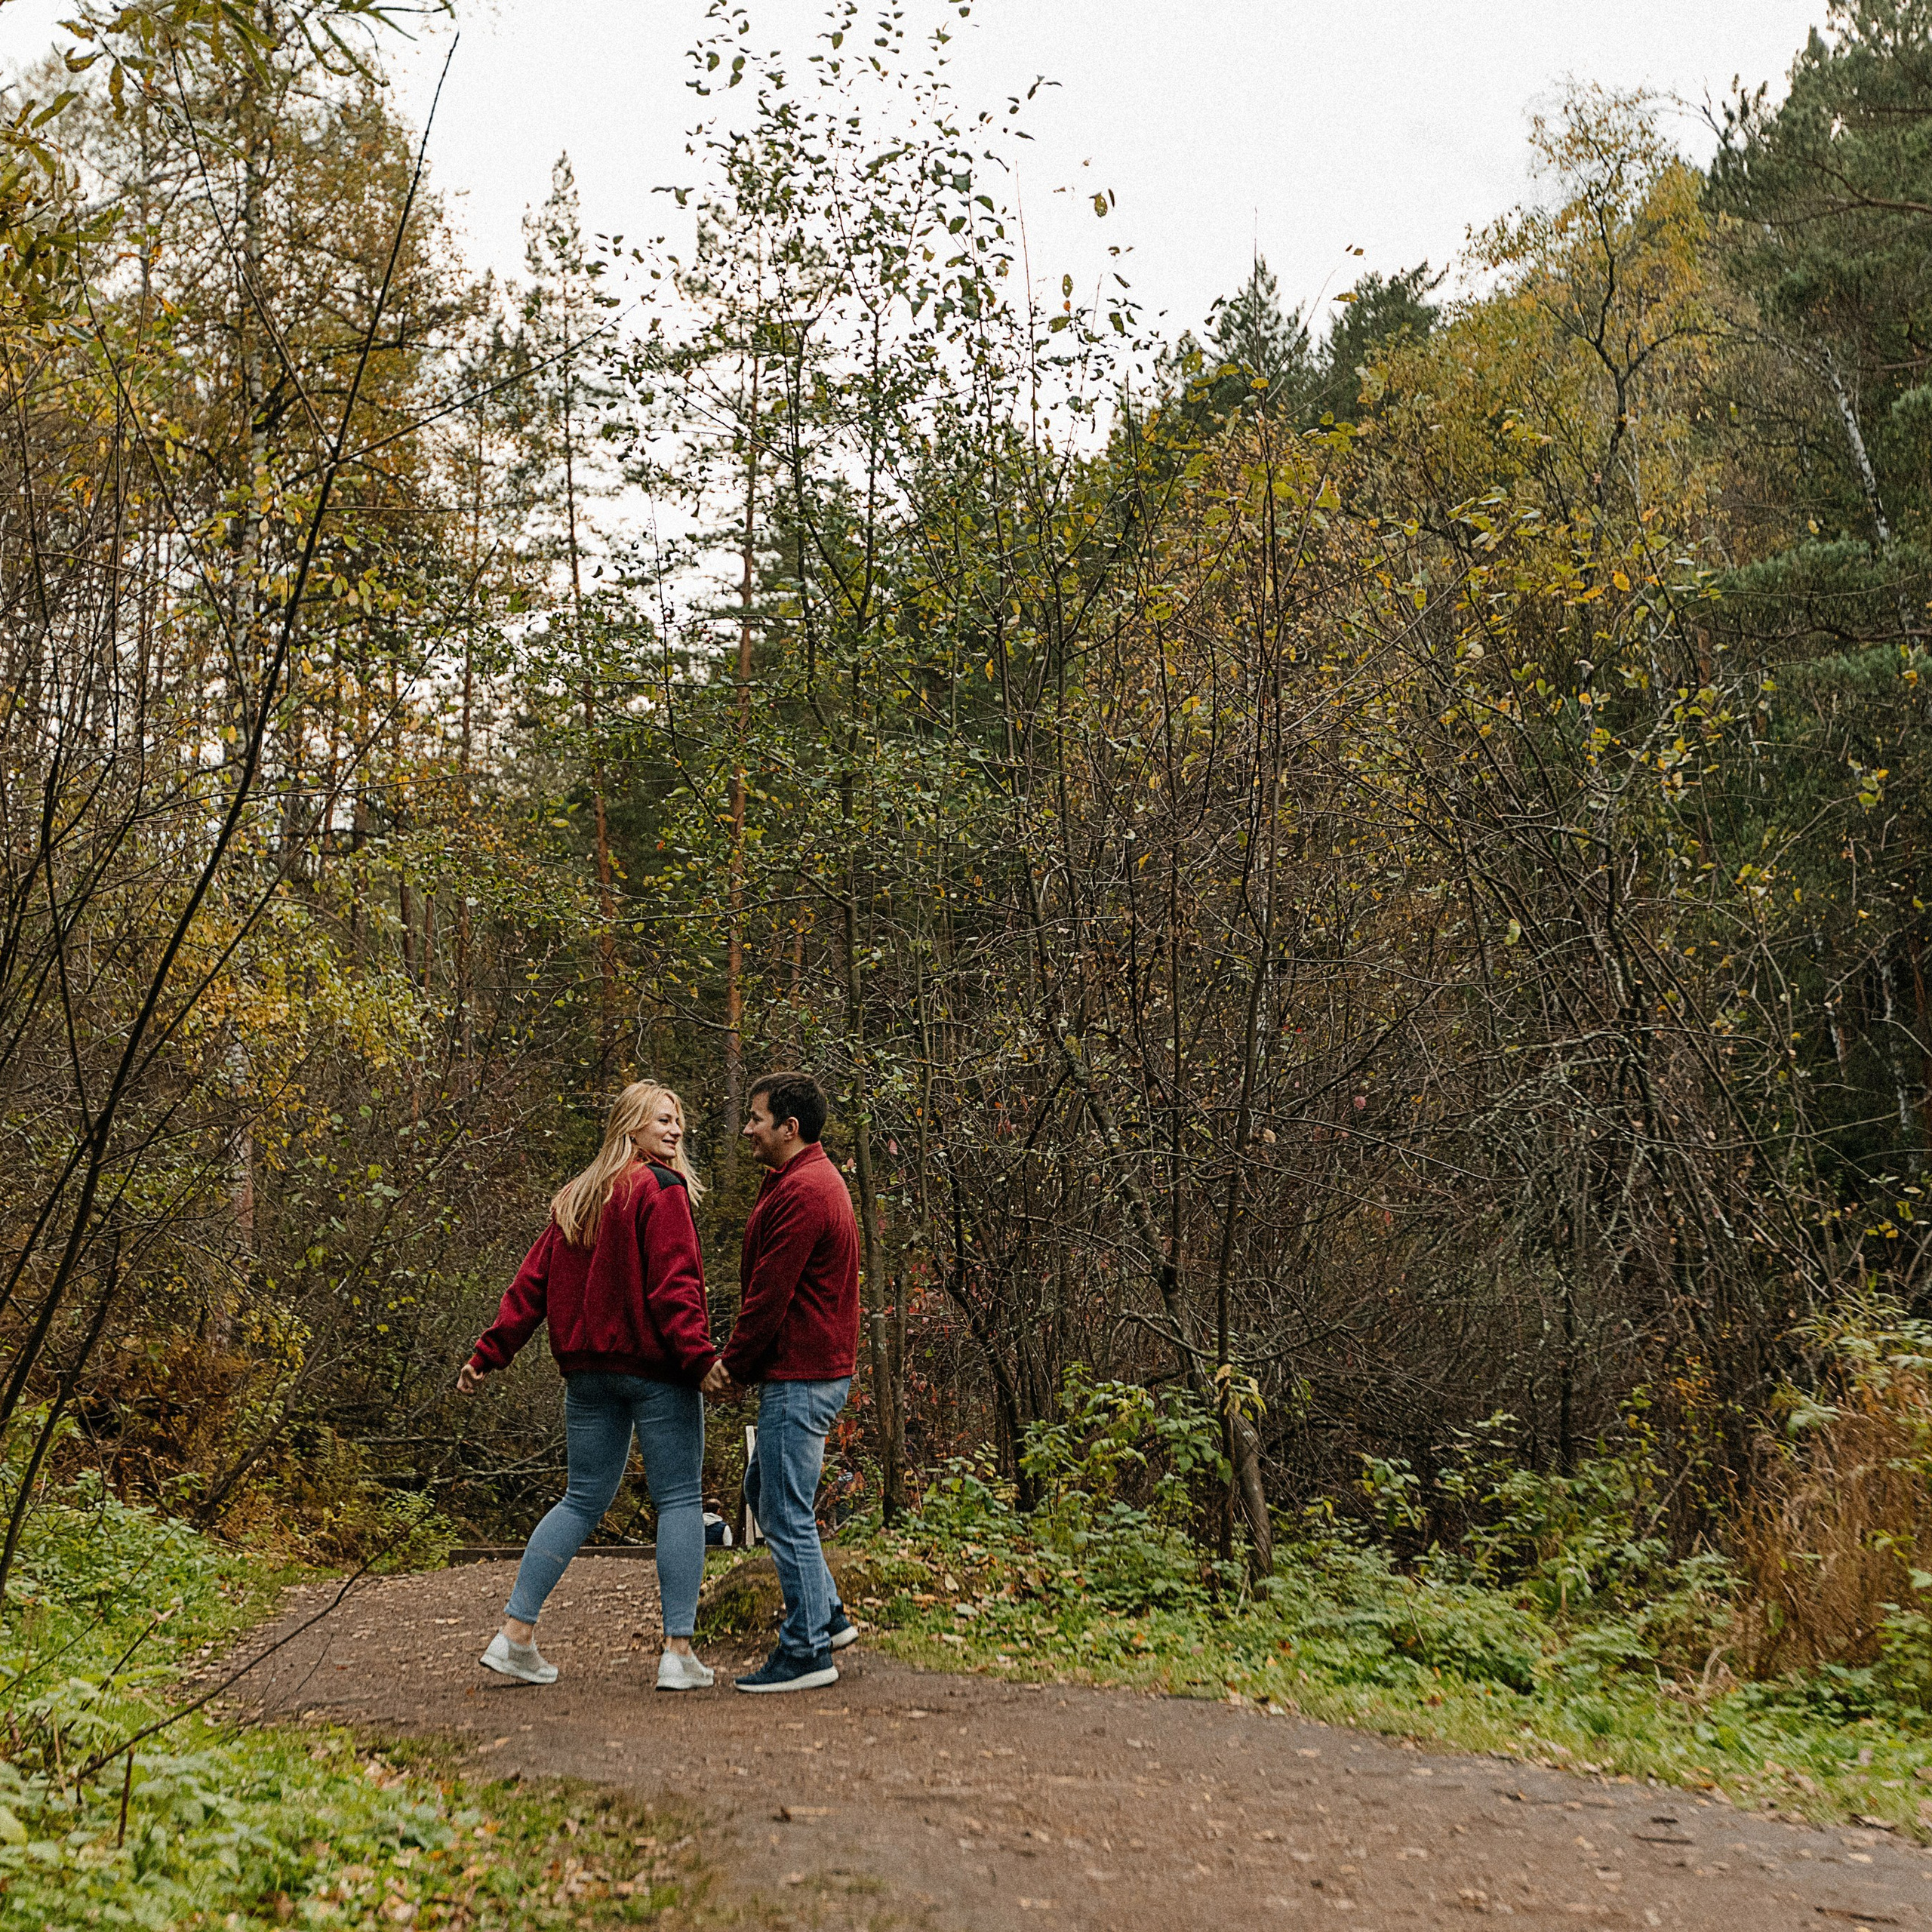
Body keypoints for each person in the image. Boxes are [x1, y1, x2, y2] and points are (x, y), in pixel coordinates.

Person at [458, 1081, 719, 1693]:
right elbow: (675, 1288)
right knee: (679, 1500)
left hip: (587, 1374)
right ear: (631, 1126)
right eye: (662, 1119)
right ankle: (678, 1653)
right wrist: (701, 1360)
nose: (675, 1130)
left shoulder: (578, 1196)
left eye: (679, 1120)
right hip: (656, 1373)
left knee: (580, 1499)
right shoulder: (661, 1191)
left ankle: (514, 1637)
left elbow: (530, 1288)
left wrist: (489, 1353)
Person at [701, 1071, 860, 1692]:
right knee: (766, 1489)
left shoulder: (806, 1192)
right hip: (806, 1370)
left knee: (783, 1512)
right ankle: (829, 1614)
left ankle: (806, 1651)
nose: (747, 1129)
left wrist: (731, 1366)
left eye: (757, 1118)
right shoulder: (799, 1180)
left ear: (789, 1128)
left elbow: (769, 1297)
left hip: (803, 1375)